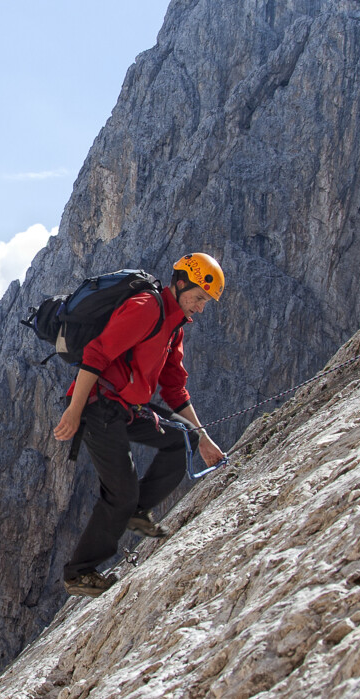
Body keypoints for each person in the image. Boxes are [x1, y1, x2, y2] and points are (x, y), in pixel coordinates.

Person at [53, 252, 226, 597]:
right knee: (122, 491)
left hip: (127, 406)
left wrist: (204, 439)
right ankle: (79, 572)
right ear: (180, 284)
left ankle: (136, 511)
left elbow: (175, 388)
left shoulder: (174, 326)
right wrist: (74, 411)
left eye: (205, 302)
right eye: (198, 298)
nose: (201, 308)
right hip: (97, 404)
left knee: (183, 439)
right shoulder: (148, 307)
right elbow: (97, 355)